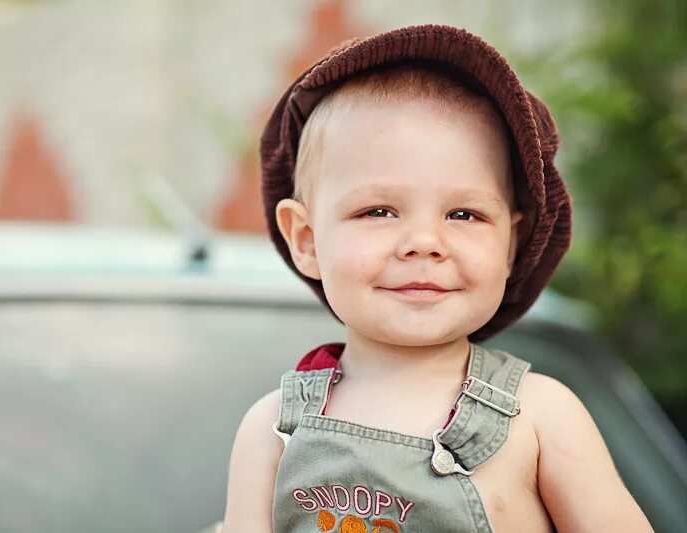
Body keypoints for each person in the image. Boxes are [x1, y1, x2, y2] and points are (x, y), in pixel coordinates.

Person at [220, 24, 653, 533]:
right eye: (378, 211)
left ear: (510, 245)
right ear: (308, 240)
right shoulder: (272, 432)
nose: (423, 241)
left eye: (464, 215)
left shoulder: (540, 418)